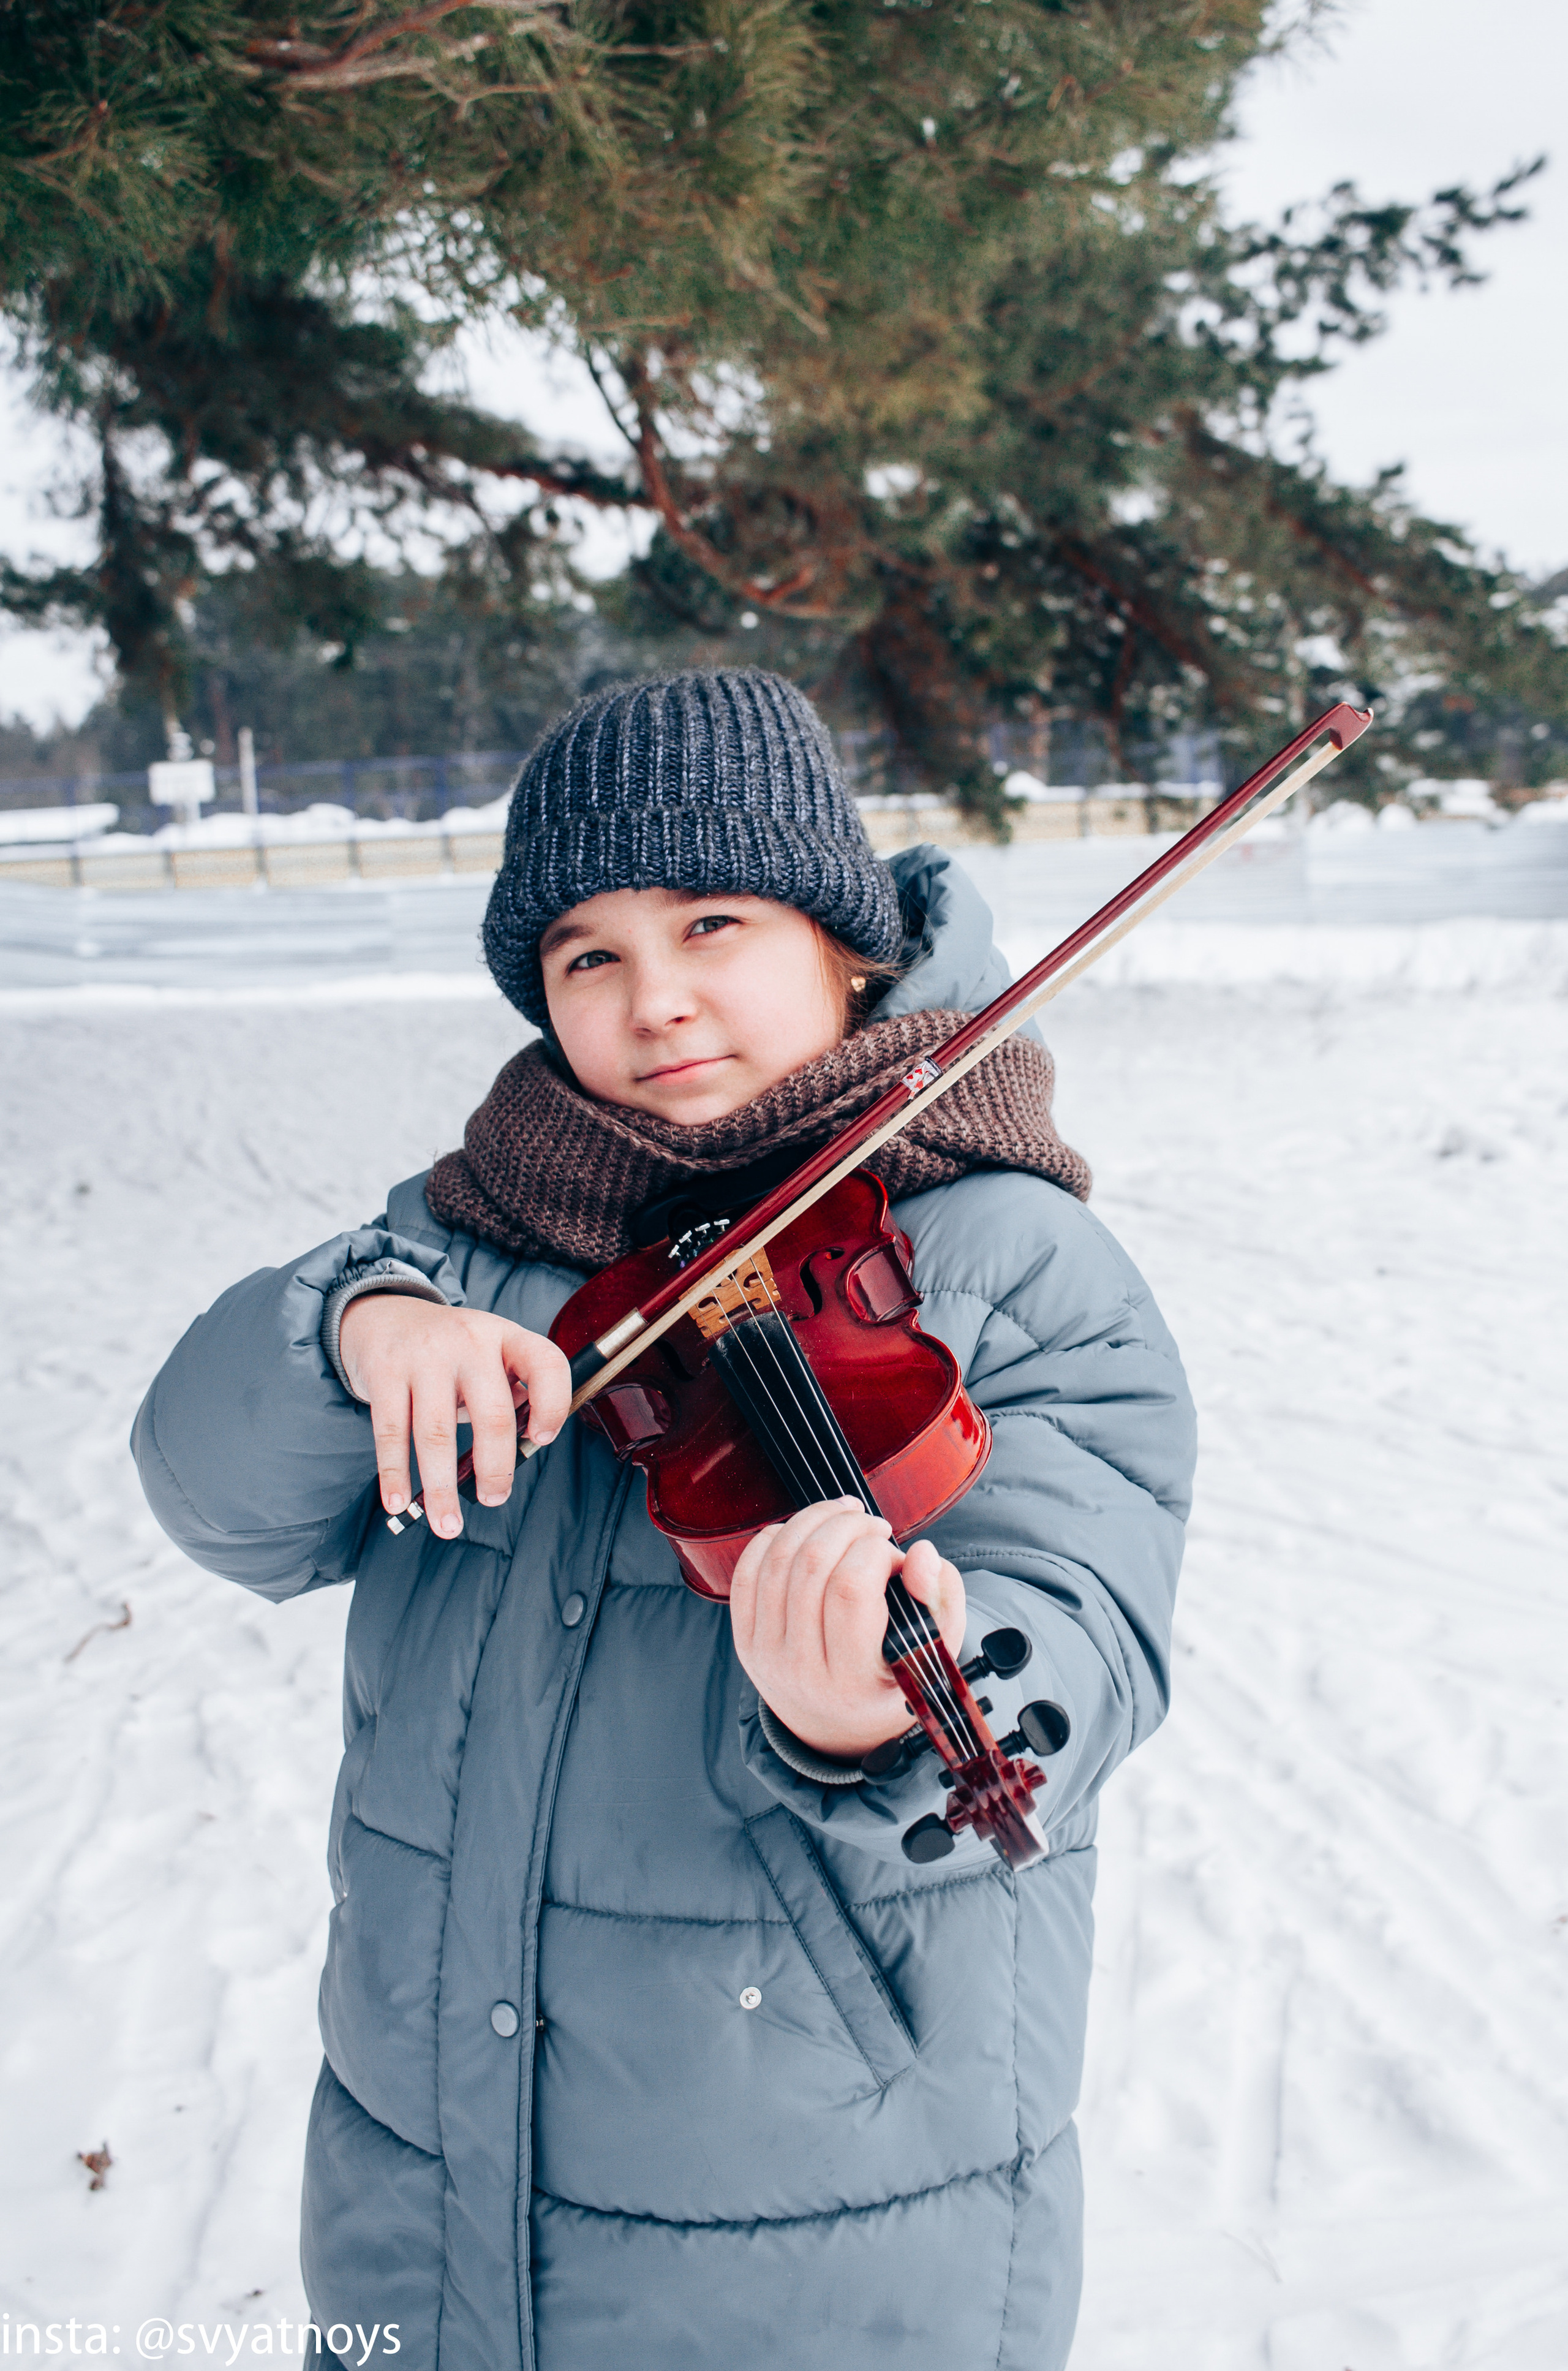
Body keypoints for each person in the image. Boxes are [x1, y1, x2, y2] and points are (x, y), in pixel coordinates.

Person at [133, 669, 1194, 2371]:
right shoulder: (473, 1242)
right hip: (432, 2195)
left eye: (714, 921)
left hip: (832, 2215)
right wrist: (354, 1334)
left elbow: (1087, 1613)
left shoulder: (1010, 1260)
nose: (658, 1000)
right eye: (590, 956)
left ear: (843, 942)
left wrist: (897, 1715)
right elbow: (213, 1492)